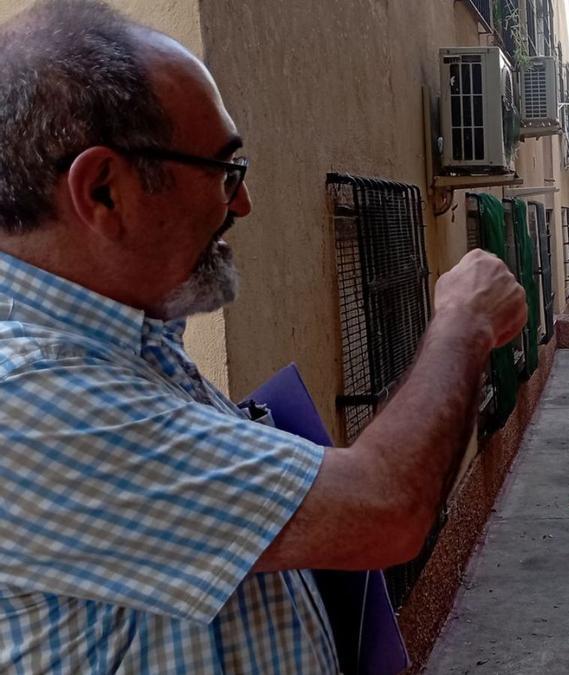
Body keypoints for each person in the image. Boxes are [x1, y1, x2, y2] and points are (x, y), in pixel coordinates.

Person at [0, 1, 527, 672]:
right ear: (104, 190)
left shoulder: (128, 349)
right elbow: (385, 506)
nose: (242, 203)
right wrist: (464, 319)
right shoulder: (28, 398)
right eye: (224, 170)